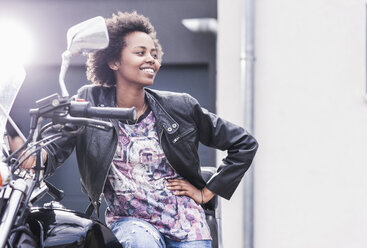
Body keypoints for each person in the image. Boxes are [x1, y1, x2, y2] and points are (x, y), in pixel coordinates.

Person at [38, 11, 258, 248]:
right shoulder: (90, 102)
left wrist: (206, 193)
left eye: (154, 54)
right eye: (140, 52)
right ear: (114, 61)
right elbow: (53, 149)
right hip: (131, 222)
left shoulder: (180, 106)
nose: (151, 59)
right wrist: (31, 154)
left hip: (187, 225)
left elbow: (244, 143)